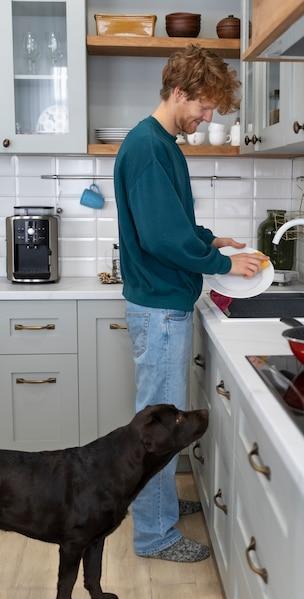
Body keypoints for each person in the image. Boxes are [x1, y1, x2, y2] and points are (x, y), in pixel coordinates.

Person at [114, 44, 267, 563]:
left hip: (162, 303)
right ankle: (154, 535)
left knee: (160, 417)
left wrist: (209, 241)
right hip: (159, 307)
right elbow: (159, 236)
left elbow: (172, 223)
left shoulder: (159, 145)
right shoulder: (148, 147)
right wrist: (222, 266)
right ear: (179, 92)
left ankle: (157, 513)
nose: (206, 119)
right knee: (159, 426)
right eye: (203, 107)